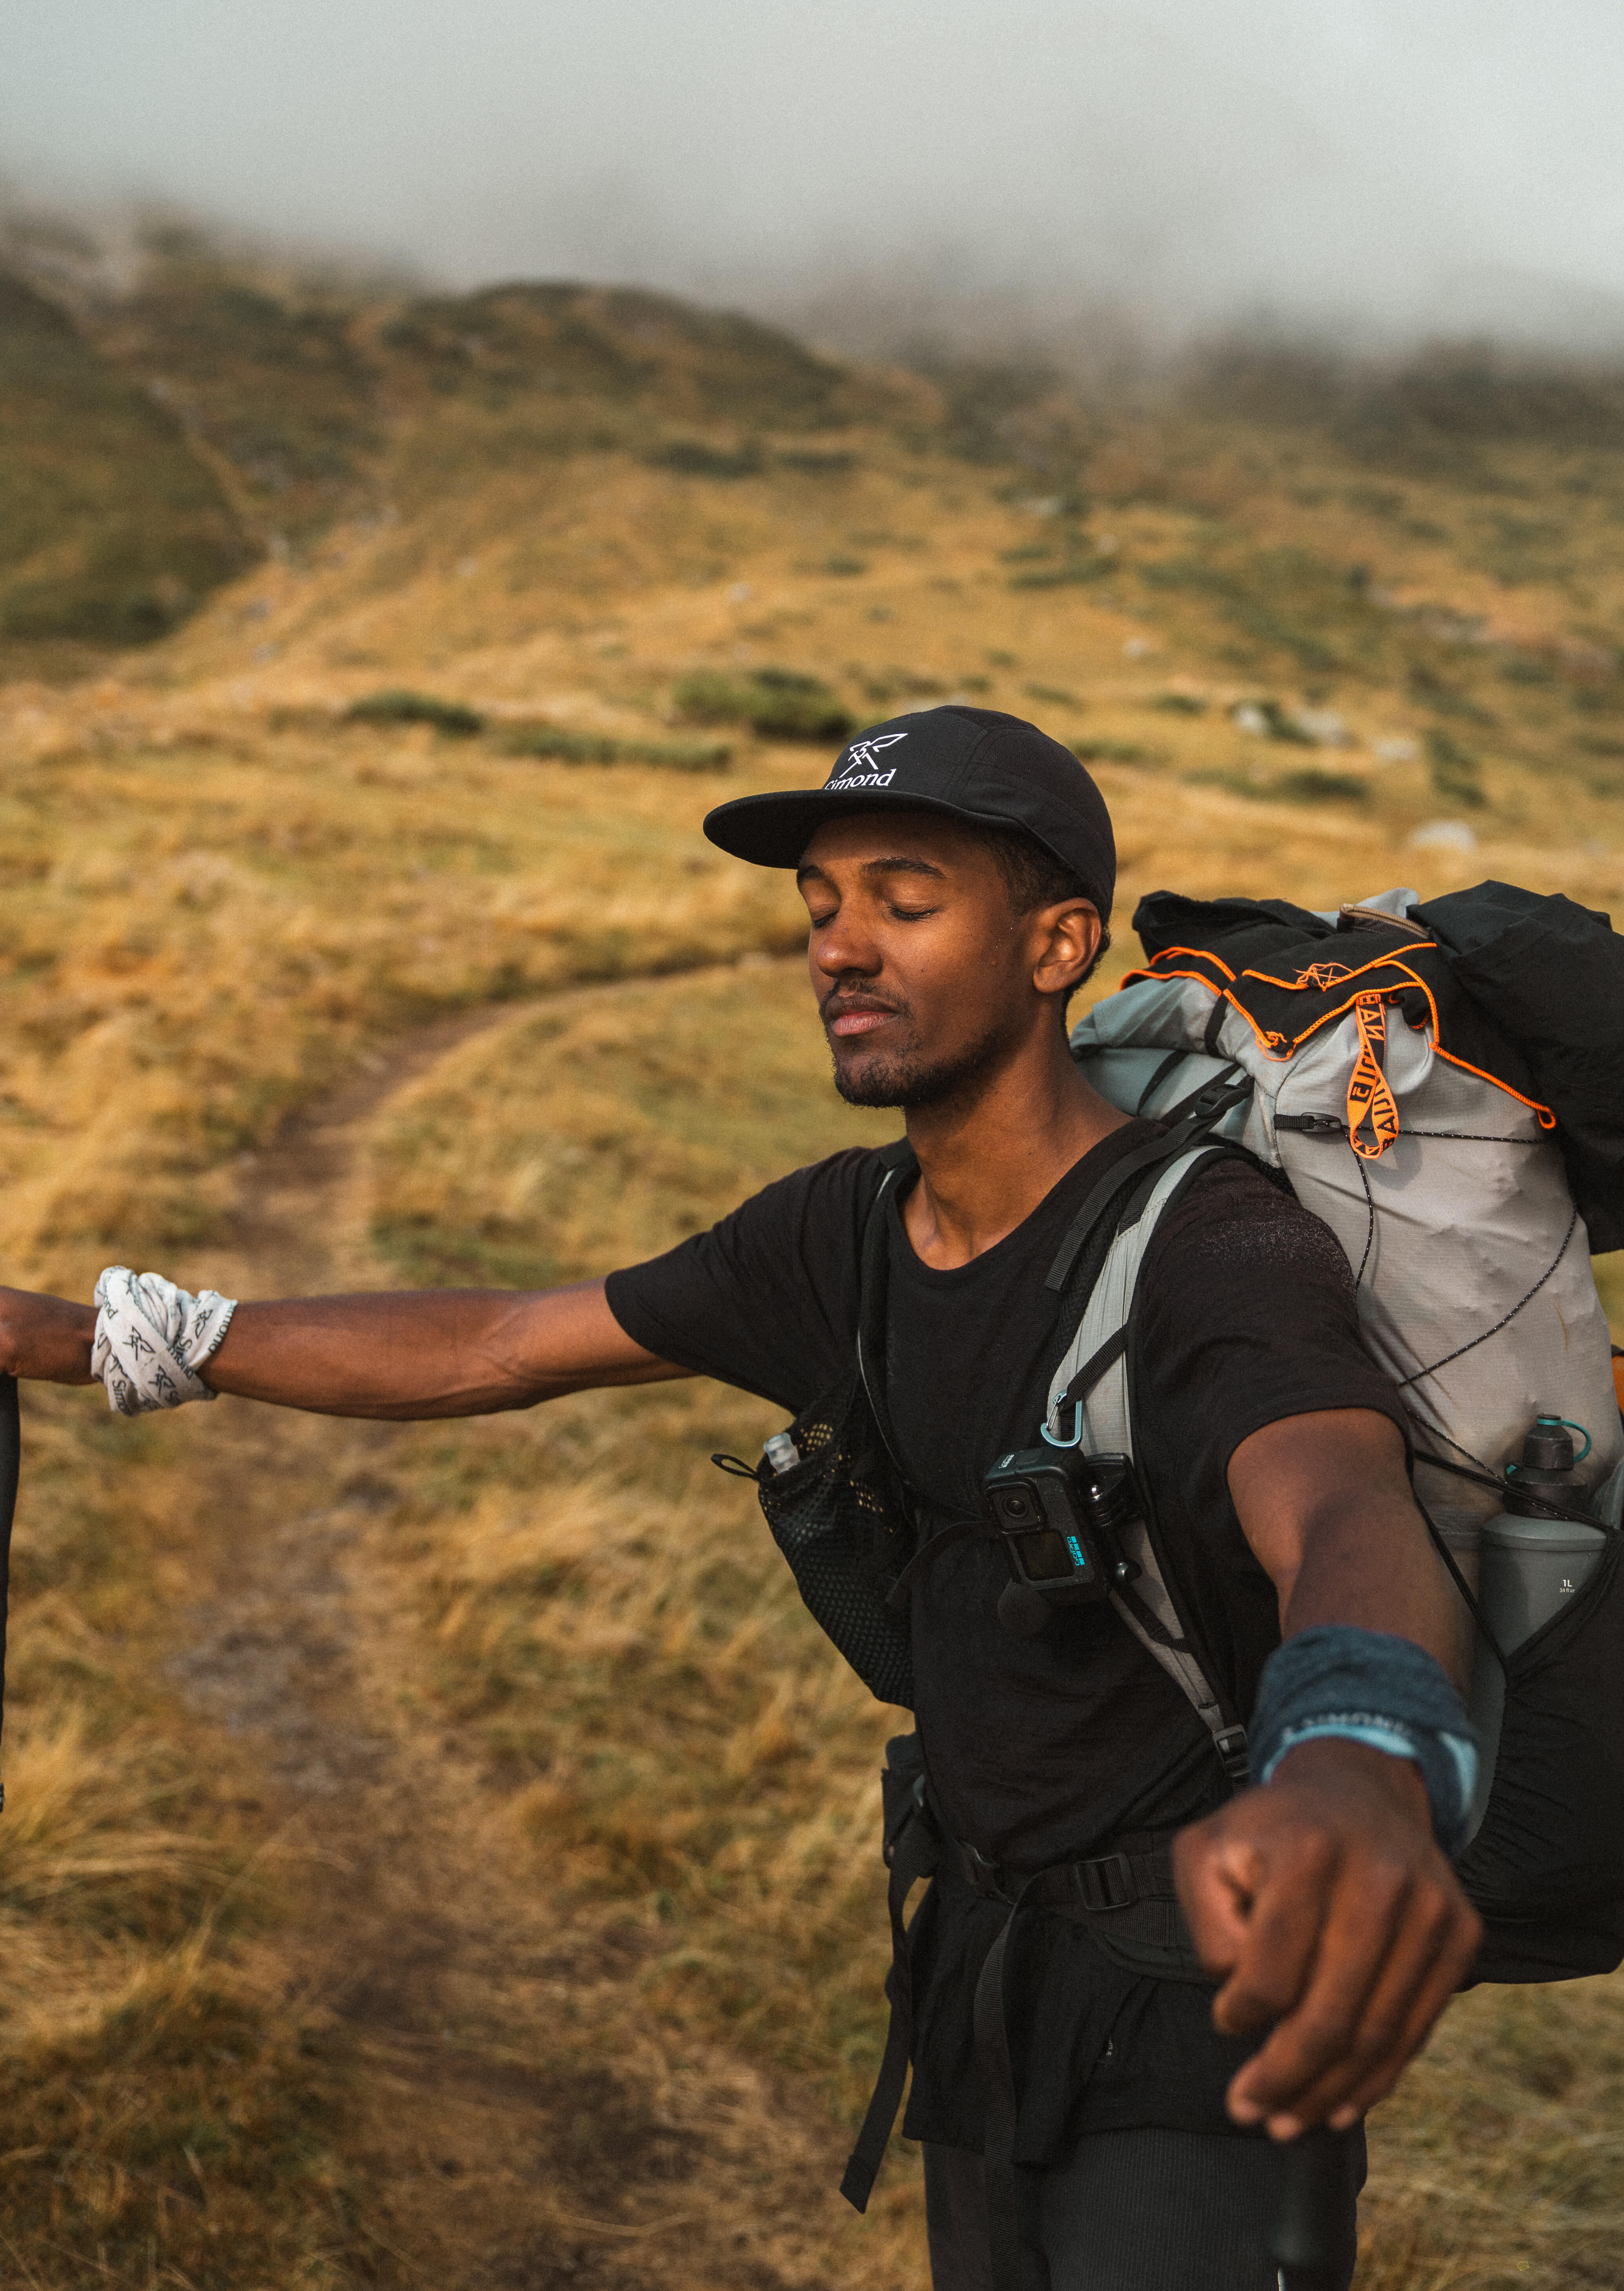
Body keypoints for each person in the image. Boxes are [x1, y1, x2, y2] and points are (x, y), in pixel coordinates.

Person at [2, 706, 1482, 2291]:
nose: (840, 947)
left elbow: (1339, 1508)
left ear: (1057, 945)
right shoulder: (842, 1234)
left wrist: (1361, 1758)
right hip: (983, 1968)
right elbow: (500, 1341)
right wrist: (118, 1339)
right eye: (819, 907)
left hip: (1210, 2002)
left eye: (903, 900)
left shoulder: (1208, 1248)